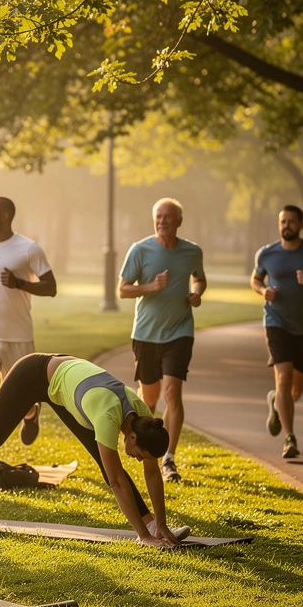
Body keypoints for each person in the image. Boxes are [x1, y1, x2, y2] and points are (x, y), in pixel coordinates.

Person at [0, 354, 187, 547]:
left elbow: (153, 474)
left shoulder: (144, 419)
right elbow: (116, 482)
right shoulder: (106, 415)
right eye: (139, 455)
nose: (136, 459)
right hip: (32, 374)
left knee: (107, 462)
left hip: (67, 382)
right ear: (132, 438)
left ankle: (154, 525)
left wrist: (162, 524)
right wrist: (142, 537)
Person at [0, 197, 56, 482]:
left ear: (4, 216)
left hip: (17, 335)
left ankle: (31, 413)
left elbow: (50, 287)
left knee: (20, 397)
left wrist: (20, 284)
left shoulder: (28, 249)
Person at [118, 197, 207, 484]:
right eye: (159, 216)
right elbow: (122, 290)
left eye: (168, 217)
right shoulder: (140, 250)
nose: (163, 221)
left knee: (172, 393)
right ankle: (146, 446)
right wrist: (150, 286)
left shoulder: (192, 251)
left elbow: (199, 278)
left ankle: (168, 458)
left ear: (179, 221)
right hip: (145, 334)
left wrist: (196, 293)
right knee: (150, 398)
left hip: (179, 332)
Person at [252, 205, 303, 458]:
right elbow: (255, 279)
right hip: (276, 323)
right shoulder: (267, 253)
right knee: (284, 378)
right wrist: (262, 291)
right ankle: (290, 439)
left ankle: (277, 404)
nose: (286, 225)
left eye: (291, 221)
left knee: (295, 390)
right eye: (282, 221)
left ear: (301, 224)